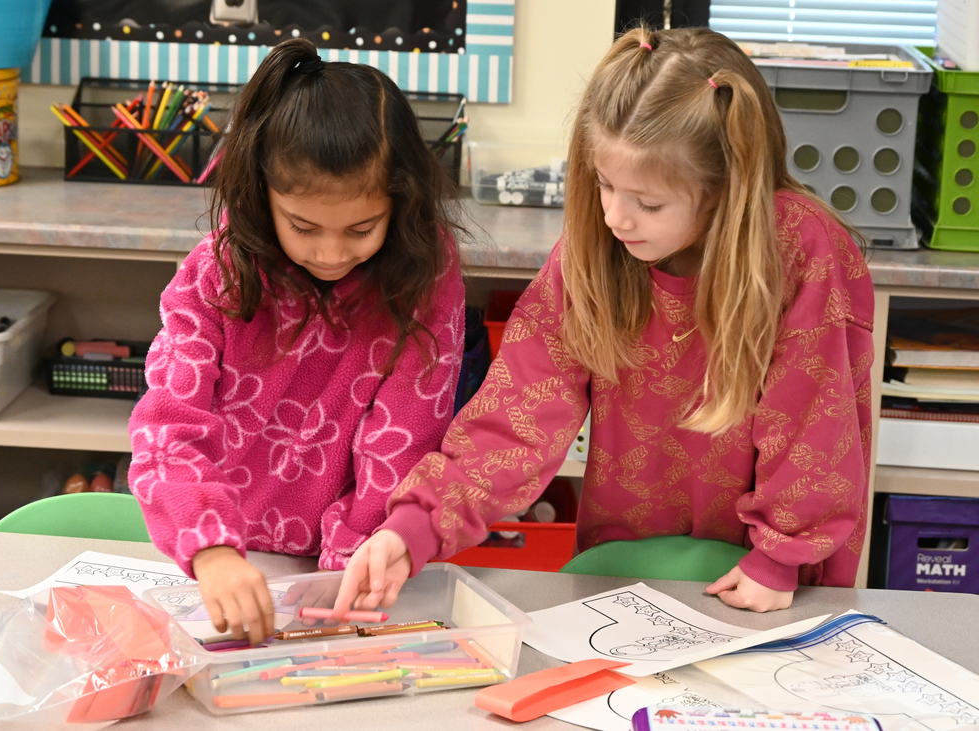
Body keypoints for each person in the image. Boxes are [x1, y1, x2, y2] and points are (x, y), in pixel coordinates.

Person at [333, 26, 875, 615]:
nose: (616, 216)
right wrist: (413, 529)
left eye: (648, 202)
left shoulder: (801, 249)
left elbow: (813, 427)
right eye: (603, 184)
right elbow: (518, 415)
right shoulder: (595, 248)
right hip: (628, 573)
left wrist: (779, 558)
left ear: (725, 189)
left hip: (771, 581)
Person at [128, 38, 465, 645]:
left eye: (361, 229)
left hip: (363, 564)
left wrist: (349, 571)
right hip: (230, 557)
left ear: (401, 201)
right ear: (263, 197)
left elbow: (404, 438)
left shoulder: (424, 274)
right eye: (303, 227)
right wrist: (212, 550)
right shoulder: (218, 272)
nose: (331, 254)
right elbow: (167, 426)